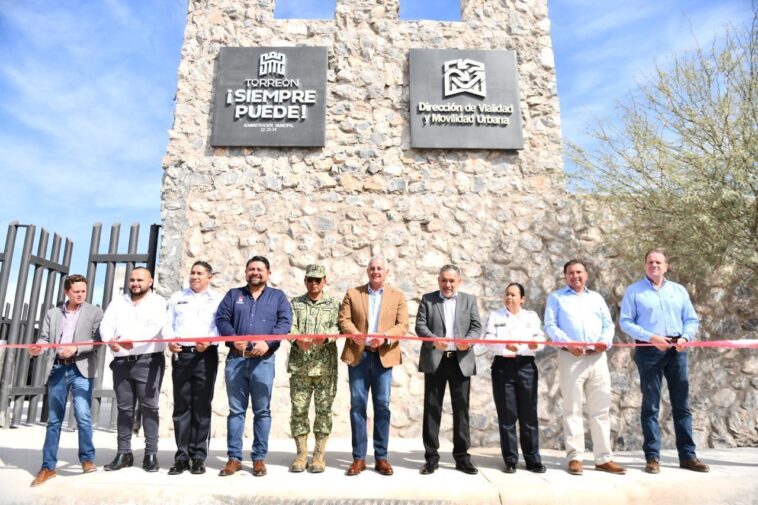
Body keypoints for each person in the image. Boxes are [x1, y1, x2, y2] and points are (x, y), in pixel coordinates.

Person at [619, 249, 709, 474]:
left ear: (666, 266)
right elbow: (626, 322)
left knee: (682, 405)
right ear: (645, 266)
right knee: (650, 406)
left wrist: (686, 338)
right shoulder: (634, 292)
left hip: (677, 351)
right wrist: (651, 337)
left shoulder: (679, 291)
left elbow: (690, 319)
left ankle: (688, 456)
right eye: (650, 262)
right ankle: (652, 458)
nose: (654, 265)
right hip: (649, 350)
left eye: (658, 262)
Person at [544, 259, 625, 476]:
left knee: (600, 410)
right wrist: (568, 343)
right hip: (571, 358)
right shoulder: (557, 298)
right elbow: (550, 325)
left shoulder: (596, 298)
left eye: (579, 272)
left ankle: (603, 458)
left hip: (597, 358)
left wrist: (604, 342)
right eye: (570, 273)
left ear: (586, 275)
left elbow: (608, 325)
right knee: (573, 409)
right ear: (565, 276)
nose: (575, 276)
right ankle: (575, 457)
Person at [215, 255, 292, 477]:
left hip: (263, 363)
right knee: (236, 411)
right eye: (251, 269)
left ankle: (258, 458)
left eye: (259, 269)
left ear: (268, 273)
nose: (255, 272)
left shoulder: (277, 297)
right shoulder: (233, 295)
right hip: (236, 360)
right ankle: (234, 458)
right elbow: (222, 319)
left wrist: (267, 343)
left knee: (262, 411)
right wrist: (232, 338)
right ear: (246, 272)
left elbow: (284, 322)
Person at [28, 275, 103, 487]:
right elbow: (44, 338)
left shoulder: (95, 312)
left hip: (81, 369)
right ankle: (48, 467)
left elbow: (98, 340)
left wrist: (77, 347)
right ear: (67, 292)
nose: (81, 295)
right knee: (53, 420)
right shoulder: (52, 313)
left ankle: (87, 459)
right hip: (58, 369)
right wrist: (38, 348)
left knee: (82, 414)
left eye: (83, 291)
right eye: (76, 291)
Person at [340, 256, 409, 477]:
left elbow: (403, 325)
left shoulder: (397, 296)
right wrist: (355, 334)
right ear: (367, 271)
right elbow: (344, 320)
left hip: (383, 357)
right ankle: (358, 458)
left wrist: (386, 337)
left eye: (379, 268)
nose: (376, 271)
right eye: (372, 268)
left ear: (386, 272)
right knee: (357, 406)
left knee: (382, 406)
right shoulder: (353, 293)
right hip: (359, 357)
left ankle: (381, 457)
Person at [415, 264, 481, 475]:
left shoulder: (469, 300)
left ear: (459, 282)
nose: (448, 284)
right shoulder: (428, 299)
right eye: (444, 280)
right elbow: (420, 325)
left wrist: (468, 342)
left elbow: (476, 327)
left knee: (461, 410)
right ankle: (431, 458)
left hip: (460, 361)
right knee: (432, 409)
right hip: (436, 361)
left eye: (452, 281)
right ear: (439, 281)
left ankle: (462, 458)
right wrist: (435, 341)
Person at [100, 267, 167, 472]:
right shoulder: (118, 301)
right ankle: (123, 453)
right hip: (121, 362)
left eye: (140, 279)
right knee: (124, 409)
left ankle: (151, 454)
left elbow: (154, 326)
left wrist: (133, 342)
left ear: (150, 281)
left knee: (149, 408)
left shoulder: (158, 302)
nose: (135, 283)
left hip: (148, 361)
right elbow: (106, 324)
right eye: (132, 280)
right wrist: (109, 341)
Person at [164, 261, 222, 476]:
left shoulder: (217, 299)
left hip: (206, 355)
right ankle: (181, 457)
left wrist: (210, 340)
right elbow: (167, 323)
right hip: (182, 355)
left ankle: (198, 457)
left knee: (202, 406)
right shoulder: (177, 297)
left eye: (200, 273)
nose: (194, 276)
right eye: (192, 272)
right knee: (181, 406)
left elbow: (221, 325)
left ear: (209, 277)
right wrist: (170, 340)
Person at [484, 282, 545, 474]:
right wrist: (504, 347)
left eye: (513, 295)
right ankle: (510, 460)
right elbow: (488, 340)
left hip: (526, 366)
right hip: (503, 366)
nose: (509, 298)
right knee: (507, 416)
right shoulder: (496, 316)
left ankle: (533, 459)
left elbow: (540, 338)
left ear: (522, 298)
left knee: (528, 415)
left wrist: (534, 346)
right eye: (507, 294)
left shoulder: (531, 316)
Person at [287, 264, 340, 474]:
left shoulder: (334, 303)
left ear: (325, 281)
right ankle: (301, 455)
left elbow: (340, 326)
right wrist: (297, 339)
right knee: (298, 410)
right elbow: (288, 326)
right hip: (300, 367)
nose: (314, 283)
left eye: (318, 280)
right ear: (305, 281)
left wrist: (326, 337)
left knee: (323, 412)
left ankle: (319, 455)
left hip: (325, 368)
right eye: (310, 279)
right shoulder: (296, 303)